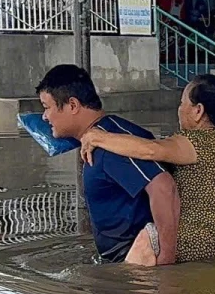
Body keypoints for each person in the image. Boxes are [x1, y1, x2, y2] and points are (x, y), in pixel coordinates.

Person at [79, 72, 215, 264]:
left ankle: (128, 287)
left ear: (198, 111)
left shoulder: (195, 142)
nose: (179, 109)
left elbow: (150, 150)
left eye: (182, 103)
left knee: (149, 238)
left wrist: (98, 137)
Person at [37, 63, 181, 264]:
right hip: (119, 263)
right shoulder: (102, 136)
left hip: (139, 264)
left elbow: (164, 188)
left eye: (47, 107)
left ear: (72, 105)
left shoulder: (111, 144)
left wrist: (166, 262)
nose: (44, 117)